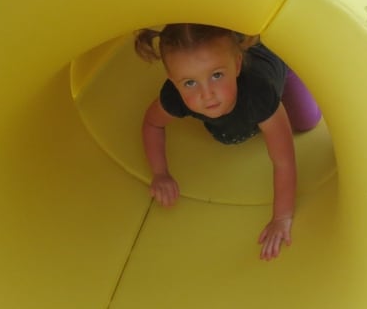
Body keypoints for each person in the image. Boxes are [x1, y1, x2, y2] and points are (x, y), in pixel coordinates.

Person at [134, 23, 321, 261]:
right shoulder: (174, 97)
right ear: (172, 80)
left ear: (237, 64)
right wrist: (160, 173)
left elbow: (283, 161)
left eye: (216, 75)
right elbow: (152, 123)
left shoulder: (258, 94)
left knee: (307, 120)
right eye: (190, 82)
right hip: (241, 69)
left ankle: (291, 68)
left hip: (274, 60)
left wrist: (281, 218)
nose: (206, 94)